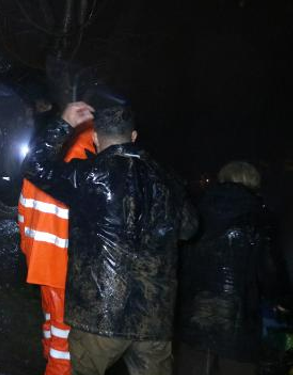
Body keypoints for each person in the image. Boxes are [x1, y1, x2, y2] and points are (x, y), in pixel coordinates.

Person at [23, 102, 198, 375]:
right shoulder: (168, 179)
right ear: (134, 136)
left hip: (98, 313)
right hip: (153, 317)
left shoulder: (89, 174)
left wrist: (64, 123)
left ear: (95, 138)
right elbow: (189, 228)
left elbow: (35, 165)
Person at [176, 161, 271, 375]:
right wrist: (281, 297)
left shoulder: (195, 210)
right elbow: (269, 270)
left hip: (194, 316)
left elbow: (178, 258)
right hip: (239, 322)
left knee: (193, 366)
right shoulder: (260, 218)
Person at [18, 116, 95, 375]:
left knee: (53, 327)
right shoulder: (85, 165)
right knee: (66, 344)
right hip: (67, 268)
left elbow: (22, 214)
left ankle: (50, 362)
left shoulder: (40, 163)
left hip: (42, 262)